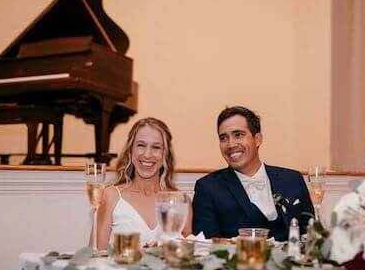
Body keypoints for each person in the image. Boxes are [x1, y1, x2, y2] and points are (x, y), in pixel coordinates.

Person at [192, 106, 314, 241]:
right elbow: (206, 247)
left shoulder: (293, 180)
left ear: (258, 139)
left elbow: (310, 236)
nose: (231, 144)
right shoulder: (207, 188)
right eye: (223, 138)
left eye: (238, 135)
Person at [96, 117, 192, 249]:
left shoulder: (181, 201)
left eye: (156, 147)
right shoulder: (110, 195)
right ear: (130, 151)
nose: (147, 154)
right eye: (141, 145)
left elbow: (187, 257)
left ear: (166, 154)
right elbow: (96, 256)